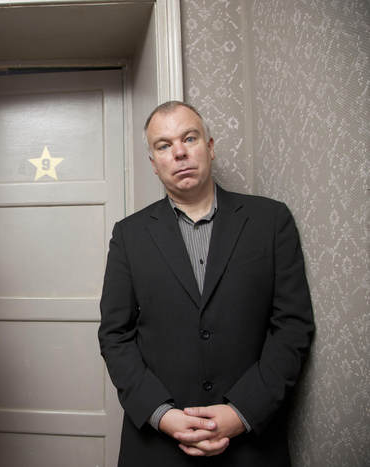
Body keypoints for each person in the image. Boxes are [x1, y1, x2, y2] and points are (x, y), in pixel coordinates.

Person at [98, 101, 314, 466]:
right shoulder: (128, 236)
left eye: (189, 138)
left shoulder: (271, 220)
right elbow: (114, 335)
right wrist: (162, 415)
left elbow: (292, 326)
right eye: (163, 145)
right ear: (153, 163)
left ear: (210, 147)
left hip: (251, 446)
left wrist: (241, 412)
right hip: (157, 446)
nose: (179, 152)